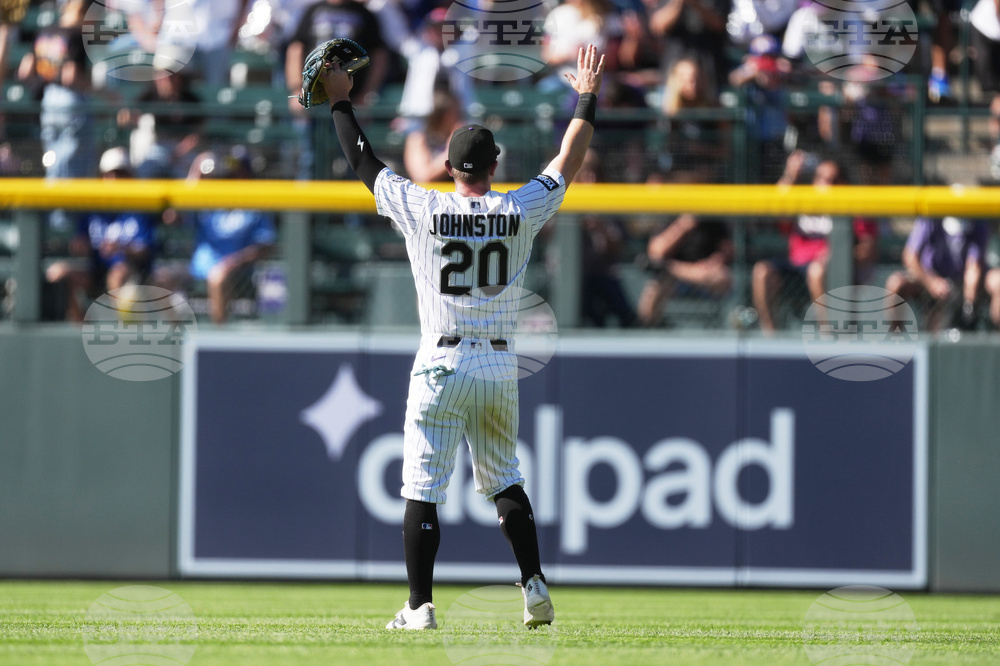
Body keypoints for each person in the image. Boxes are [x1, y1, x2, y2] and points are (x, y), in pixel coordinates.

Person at [320, 44, 606, 629]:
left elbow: (364, 163)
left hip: (441, 360)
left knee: (423, 485)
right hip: (501, 362)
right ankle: (534, 585)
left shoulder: (423, 208)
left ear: (450, 168)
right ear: (495, 165)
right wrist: (586, 97)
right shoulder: (520, 209)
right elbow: (569, 158)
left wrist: (341, 103)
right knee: (505, 479)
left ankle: (420, 605)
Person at [751, 151, 878, 334]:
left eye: (832, 180)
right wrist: (790, 175)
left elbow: (869, 249)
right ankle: (771, 334)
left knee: (816, 270)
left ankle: (827, 333)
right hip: (796, 268)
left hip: (832, 271)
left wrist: (840, 256)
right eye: (820, 178)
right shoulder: (804, 199)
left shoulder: (853, 205)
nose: (825, 184)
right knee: (762, 271)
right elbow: (778, 208)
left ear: (843, 183)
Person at [157, 148, 278, 324]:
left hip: (236, 271)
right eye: (230, 172)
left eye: (238, 172)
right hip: (197, 268)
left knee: (217, 277)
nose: (233, 176)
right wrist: (193, 179)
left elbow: (265, 245)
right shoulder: (210, 197)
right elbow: (171, 217)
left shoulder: (256, 204)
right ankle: (177, 333)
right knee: (161, 279)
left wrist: (233, 262)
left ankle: (216, 338)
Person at [45, 147, 158, 322]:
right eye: (110, 174)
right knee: (58, 272)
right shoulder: (92, 208)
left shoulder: (139, 209)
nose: (114, 179)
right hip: (96, 270)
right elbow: (79, 242)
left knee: (117, 275)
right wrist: (80, 245)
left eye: (121, 174)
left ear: (130, 177)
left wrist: (120, 247)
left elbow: (145, 250)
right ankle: (81, 328)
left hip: (132, 274)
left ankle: (123, 334)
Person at [885, 217, 1000, 331]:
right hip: (929, 280)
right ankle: (896, 341)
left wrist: (969, 304)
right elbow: (910, 256)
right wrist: (932, 282)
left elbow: (974, 267)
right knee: (896, 282)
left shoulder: (978, 221)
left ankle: (995, 341)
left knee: (997, 281)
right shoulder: (930, 217)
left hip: (964, 283)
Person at [636, 213, 732, 326]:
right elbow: (656, 253)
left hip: (702, 275)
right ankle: (649, 328)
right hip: (674, 278)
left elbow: (727, 252)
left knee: (721, 277)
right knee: (654, 288)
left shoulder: (713, 219)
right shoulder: (673, 217)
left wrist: (711, 262)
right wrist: (684, 225)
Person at [402, 90, 464, 183]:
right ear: (441, 114)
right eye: (455, 111)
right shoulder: (417, 138)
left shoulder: (465, 137)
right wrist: (452, 149)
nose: (460, 115)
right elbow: (423, 177)